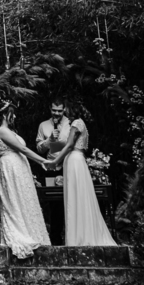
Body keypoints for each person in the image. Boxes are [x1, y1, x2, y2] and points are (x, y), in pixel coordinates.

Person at [45, 104, 117, 246]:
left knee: (75, 197)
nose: (64, 112)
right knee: (80, 196)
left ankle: (78, 237)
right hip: (78, 160)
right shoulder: (82, 123)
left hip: (74, 161)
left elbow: (69, 145)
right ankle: (83, 233)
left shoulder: (76, 123)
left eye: (66, 109)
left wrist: (54, 161)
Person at [0, 101, 51, 257]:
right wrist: (42, 161)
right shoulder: (2, 131)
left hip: (19, 169)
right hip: (11, 168)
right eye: (12, 114)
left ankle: (32, 231)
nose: (15, 117)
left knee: (24, 200)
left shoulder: (10, 131)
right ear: (4, 115)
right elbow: (22, 149)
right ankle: (20, 233)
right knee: (14, 200)